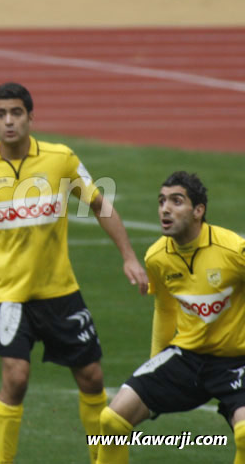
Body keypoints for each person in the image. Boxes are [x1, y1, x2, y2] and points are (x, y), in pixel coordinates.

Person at [0, 82, 149, 464]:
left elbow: (100, 204)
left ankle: (103, 460)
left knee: (91, 378)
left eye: (16, 113)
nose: (9, 122)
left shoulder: (61, 159)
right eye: (1, 115)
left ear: (30, 117)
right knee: (15, 379)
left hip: (60, 292)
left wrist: (129, 257)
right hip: (10, 296)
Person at [97, 171, 245, 464]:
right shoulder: (157, 257)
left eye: (177, 201)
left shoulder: (233, 250)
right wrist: (155, 365)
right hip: (187, 359)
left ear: (198, 211)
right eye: (162, 201)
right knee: (111, 421)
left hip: (236, 362)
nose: (165, 208)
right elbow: (164, 310)